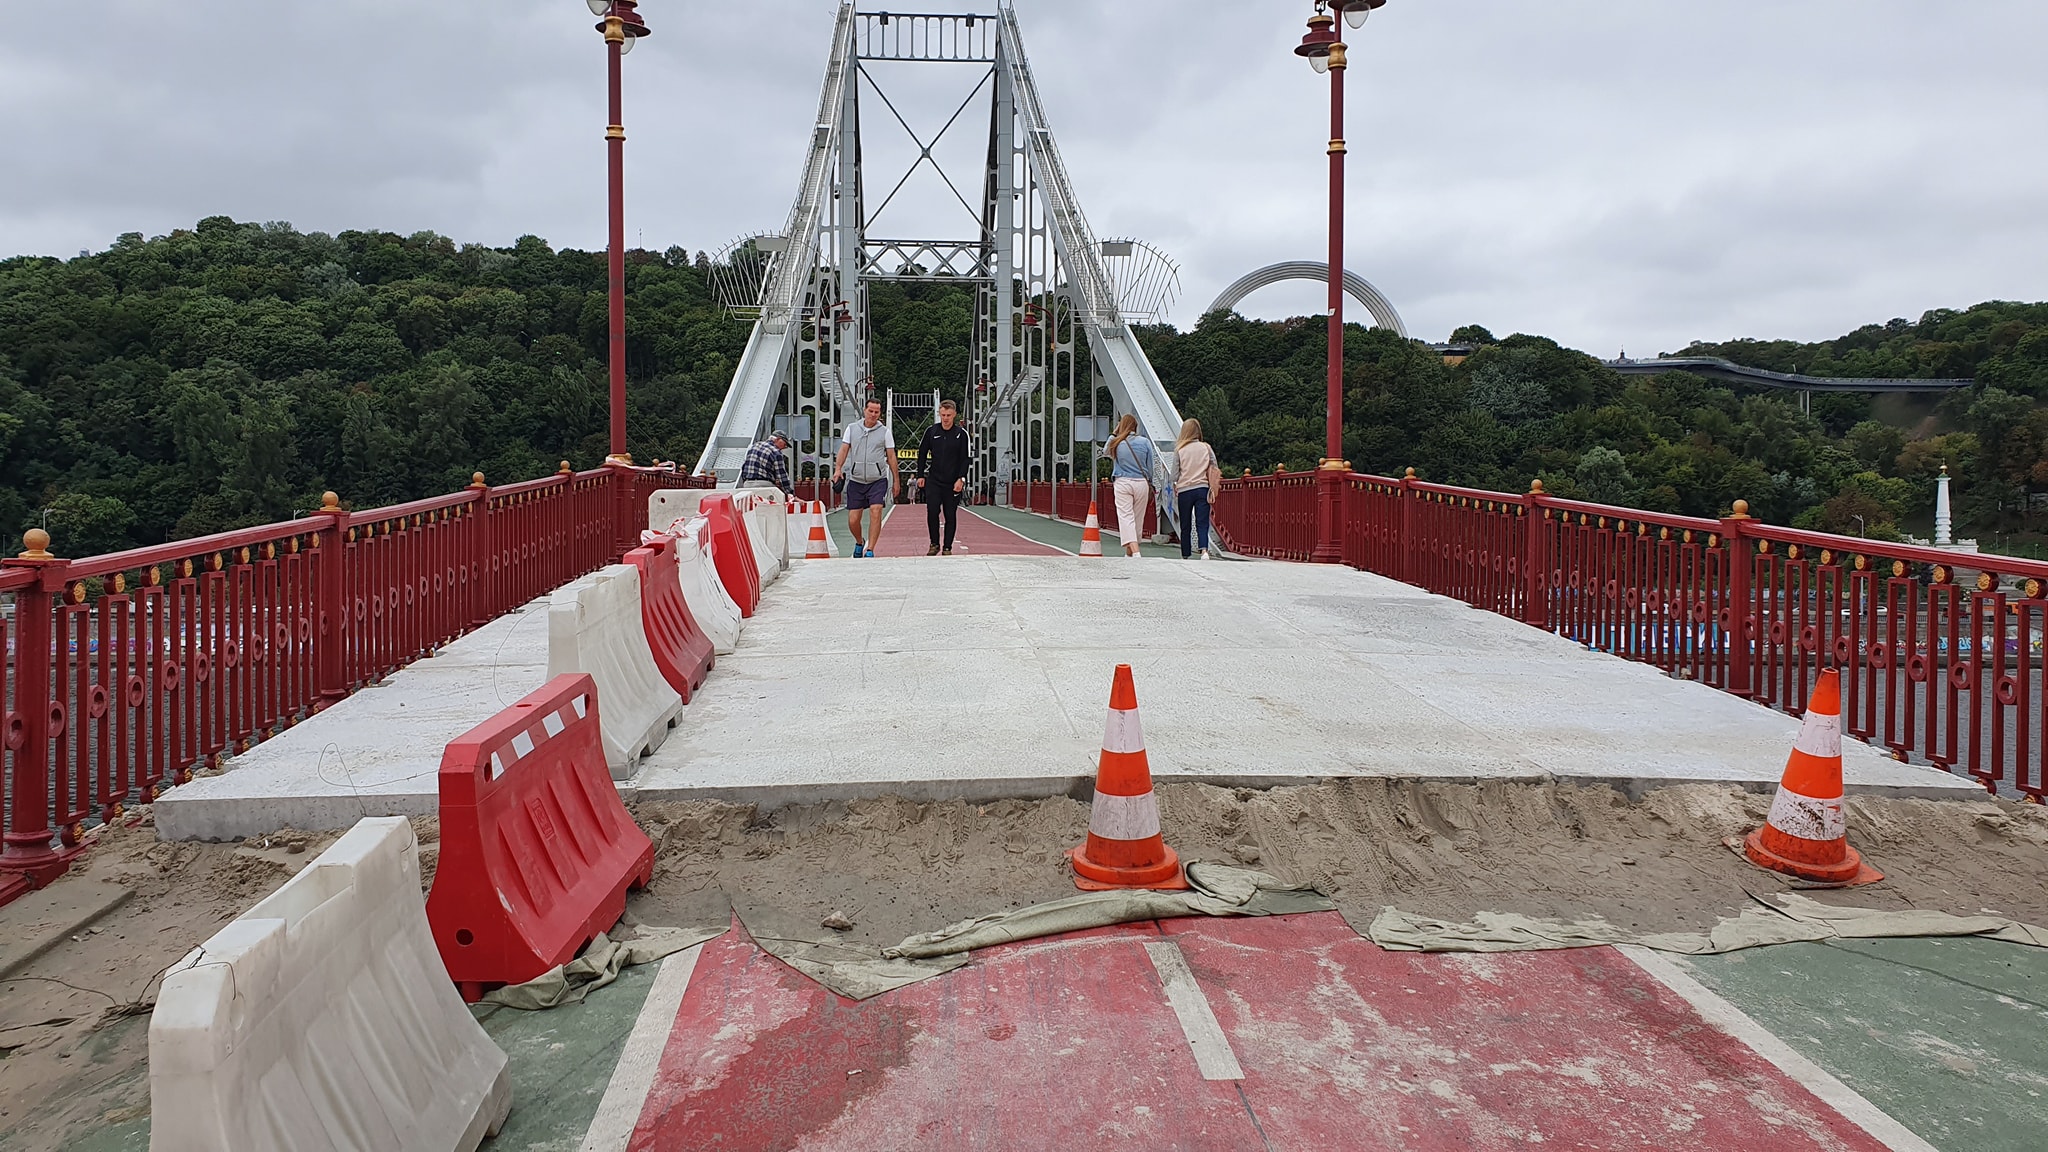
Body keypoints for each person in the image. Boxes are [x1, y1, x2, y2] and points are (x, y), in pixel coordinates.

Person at [833, 398, 899, 558]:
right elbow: (843, 450)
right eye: (871, 411)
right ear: (864, 410)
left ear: (880, 413)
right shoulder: (852, 429)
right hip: (856, 480)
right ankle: (859, 541)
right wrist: (838, 469)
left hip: (877, 479)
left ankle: (870, 549)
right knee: (853, 519)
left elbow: (891, 456)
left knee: (876, 511)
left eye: (877, 412)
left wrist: (896, 480)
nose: (873, 414)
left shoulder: (885, 432)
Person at [1104, 414, 1164, 558]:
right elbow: (1151, 466)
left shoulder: (1116, 442)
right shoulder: (1145, 442)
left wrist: (1114, 433)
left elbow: (1105, 451)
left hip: (1123, 481)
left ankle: (1135, 552)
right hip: (1141, 483)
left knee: (1126, 517)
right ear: (1135, 427)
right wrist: (1149, 481)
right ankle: (1130, 553)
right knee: (1138, 518)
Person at [916, 399, 971, 555]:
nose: (945, 418)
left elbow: (965, 459)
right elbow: (922, 454)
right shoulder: (931, 432)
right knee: (932, 511)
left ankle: (947, 547)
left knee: (950, 514)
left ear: (954, 415)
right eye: (943, 415)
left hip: (953, 481)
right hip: (934, 480)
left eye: (948, 415)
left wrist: (961, 478)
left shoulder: (961, 434)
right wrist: (920, 475)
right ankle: (934, 544)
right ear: (939, 414)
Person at [1173, 418, 1220, 560]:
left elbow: (1173, 475)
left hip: (1185, 490)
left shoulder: (1179, 450)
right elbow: (1215, 466)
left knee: (1185, 523)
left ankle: (1185, 554)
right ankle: (1204, 550)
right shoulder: (1206, 447)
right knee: (1202, 521)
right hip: (1202, 488)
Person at [738, 430, 793, 495]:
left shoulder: (754, 446)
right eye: (785, 444)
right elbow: (782, 475)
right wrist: (790, 494)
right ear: (778, 439)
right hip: (764, 486)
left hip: (747, 485)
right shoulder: (776, 452)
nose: (784, 447)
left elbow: (744, 466)